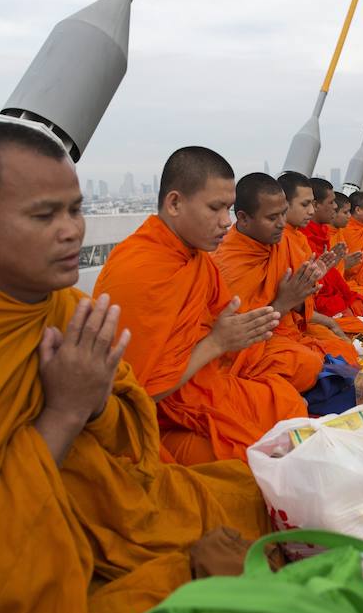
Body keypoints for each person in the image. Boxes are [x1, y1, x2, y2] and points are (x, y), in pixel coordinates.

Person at [0, 123, 268, 613]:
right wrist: (67, 411)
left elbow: (127, 432)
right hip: (8, 579)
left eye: (75, 209)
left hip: (102, 510)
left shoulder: (66, 308)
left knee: (256, 491)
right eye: (43, 214)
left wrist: (94, 404)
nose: (72, 229)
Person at [93, 147, 319, 465]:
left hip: (203, 384)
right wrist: (217, 342)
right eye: (215, 209)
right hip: (156, 419)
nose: (226, 222)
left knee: (289, 406)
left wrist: (233, 336)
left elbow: (228, 330)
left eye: (227, 209)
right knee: (251, 461)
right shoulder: (138, 271)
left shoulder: (196, 258)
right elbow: (130, 398)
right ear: (174, 203)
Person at [213, 173, 358, 365]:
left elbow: (299, 305)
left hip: (286, 329)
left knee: (343, 349)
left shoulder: (282, 243)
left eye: (283, 213)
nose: (282, 223)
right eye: (273, 217)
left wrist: (311, 281)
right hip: (251, 348)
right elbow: (235, 342)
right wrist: (284, 302)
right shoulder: (228, 263)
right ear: (243, 218)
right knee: (309, 363)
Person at [280, 173, 363, 336]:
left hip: (304, 312)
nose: (335, 207)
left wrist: (329, 269)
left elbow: (308, 292)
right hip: (288, 324)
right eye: (306, 204)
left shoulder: (300, 237)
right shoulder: (284, 240)